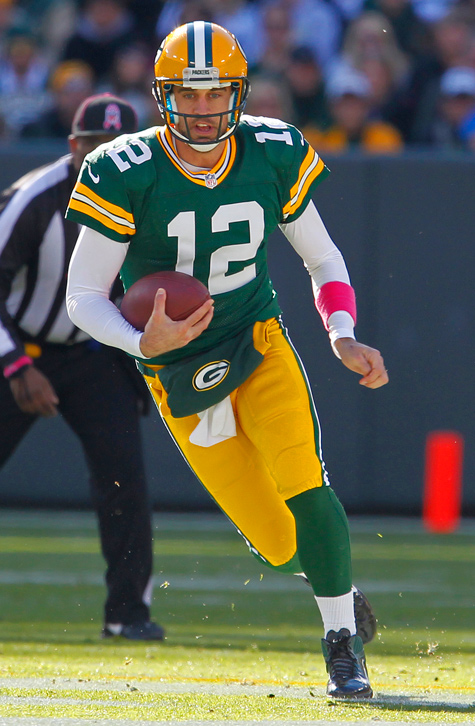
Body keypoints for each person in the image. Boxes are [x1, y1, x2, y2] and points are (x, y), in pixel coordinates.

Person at [65, 22, 388, 698]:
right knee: (278, 544)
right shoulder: (125, 167)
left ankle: (340, 643)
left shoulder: (271, 150)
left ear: (239, 93)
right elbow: (84, 297)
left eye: (217, 94)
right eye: (190, 94)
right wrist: (142, 342)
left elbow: (322, 257)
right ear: (164, 96)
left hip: (256, 340)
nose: (205, 108)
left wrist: (340, 331)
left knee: (307, 484)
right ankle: (337, 583)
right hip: (178, 373)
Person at [0, 93, 164, 641]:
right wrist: (16, 367)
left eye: (120, 146)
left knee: (124, 479)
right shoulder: (34, 199)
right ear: (73, 146)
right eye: (96, 145)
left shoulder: (152, 198)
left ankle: (128, 614)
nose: (106, 157)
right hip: (19, 347)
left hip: (93, 353)